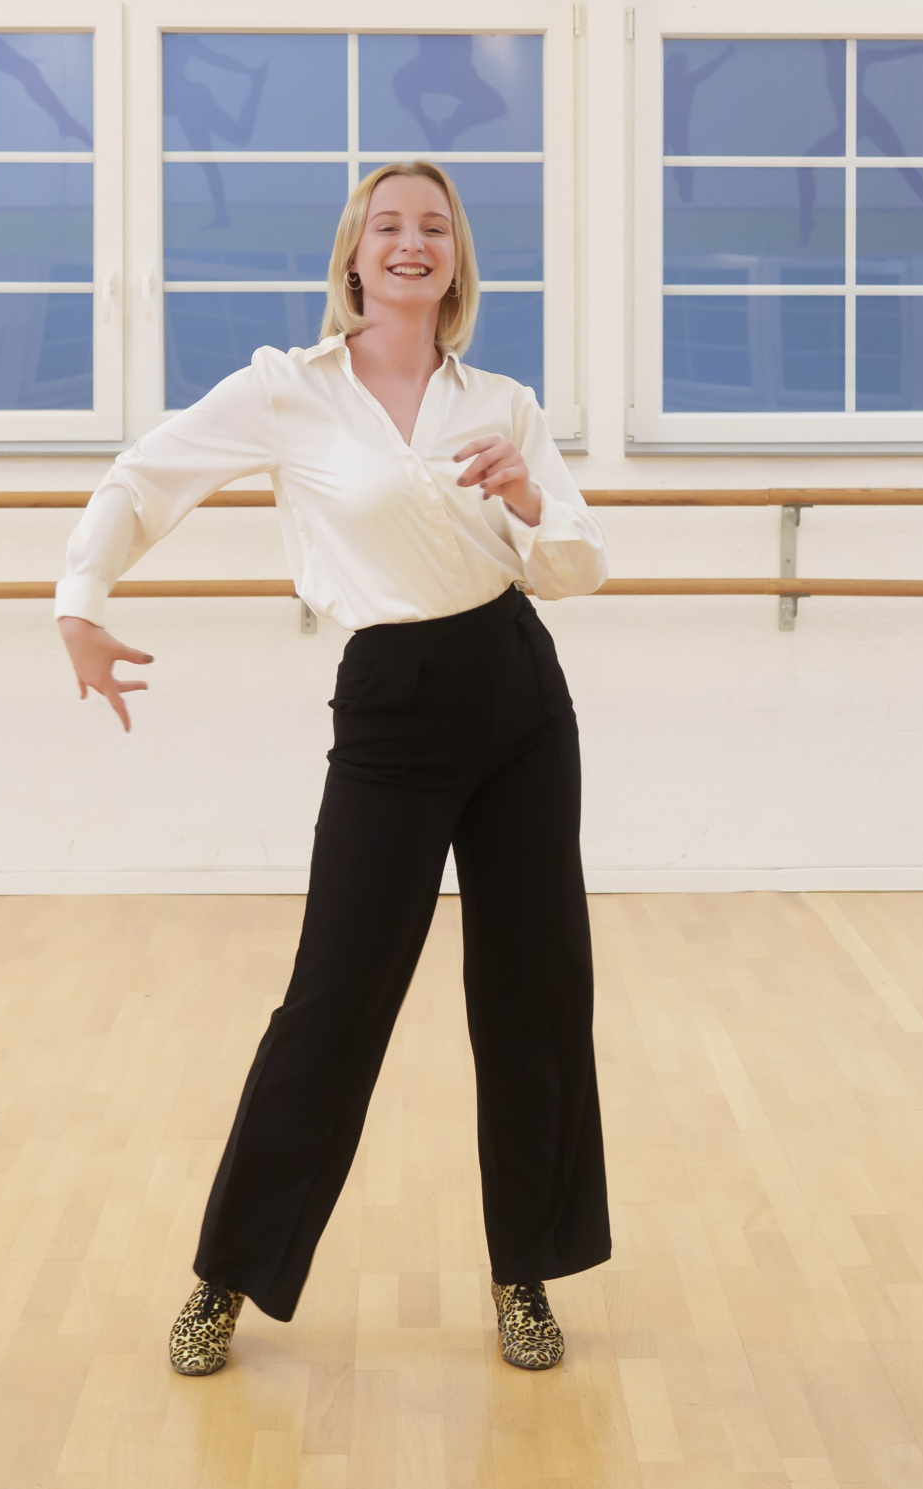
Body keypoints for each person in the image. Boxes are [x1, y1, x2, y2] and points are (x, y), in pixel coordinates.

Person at [55, 161, 611, 1375]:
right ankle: (226, 1278)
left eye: (434, 228)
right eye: (388, 225)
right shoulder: (286, 390)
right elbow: (147, 478)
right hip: (393, 707)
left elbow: (578, 566)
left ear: (456, 259)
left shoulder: (503, 405)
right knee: (333, 1000)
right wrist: (80, 598)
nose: (412, 243)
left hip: (519, 695)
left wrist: (530, 500)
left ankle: (525, 1272)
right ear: (354, 255)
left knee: (535, 994)